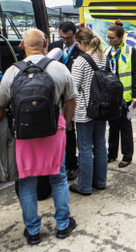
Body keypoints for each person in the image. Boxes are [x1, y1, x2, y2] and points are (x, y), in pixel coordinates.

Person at [0, 29, 77, 245]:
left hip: (23, 135)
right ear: (45, 43)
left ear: (22, 44)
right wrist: (64, 125)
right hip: (53, 132)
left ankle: (32, 232)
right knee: (58, 178)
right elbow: (71, 102)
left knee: (27, 182)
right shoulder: (59, 69)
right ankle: (62, 225)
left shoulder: (12, 72)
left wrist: (5, 125)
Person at [69, 28, 108, 195]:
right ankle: (100, 182)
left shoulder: (80, 61)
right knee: (100, 144)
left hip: (85, 110)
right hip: (102, 108)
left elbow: (72, 88)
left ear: (82, 43)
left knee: (84, 147)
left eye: (77, 44)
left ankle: (84, 186)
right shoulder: (103, 57)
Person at [48, 21, 82, 180]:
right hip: (53, 94)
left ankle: (71, 165)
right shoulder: (54, 47)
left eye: (68, 38)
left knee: (69, 131)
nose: (65, 41)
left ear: (74, 34)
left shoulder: (80, 50)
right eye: (62, 38)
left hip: (70, 96)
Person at [105, 20, 136, 168]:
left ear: (121, 37)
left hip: (125, 96)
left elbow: (135, 74)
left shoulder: (130, 51)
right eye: (108, 37)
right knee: (113, 126)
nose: (109, 40)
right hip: (111, 97)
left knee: (125, 127)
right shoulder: (107, 51)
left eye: (112, 38)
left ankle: (127, 155)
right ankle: (112, 154)